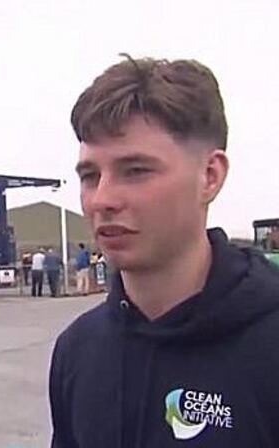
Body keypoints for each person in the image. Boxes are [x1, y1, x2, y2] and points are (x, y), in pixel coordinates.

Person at [49, 55, 279, 447]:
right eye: (90, 176)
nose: (102, 199)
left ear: (210, 176)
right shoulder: (77, 350)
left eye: (135, 170)